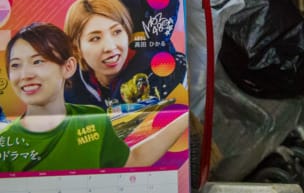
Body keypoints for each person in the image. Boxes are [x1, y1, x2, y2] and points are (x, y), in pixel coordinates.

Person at [0, 22, 185, 173]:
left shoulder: (93, 119)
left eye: (37, 61)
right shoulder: (6, 142)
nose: (25, 75)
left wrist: (184, 119)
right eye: (15, 65)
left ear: (68, 67)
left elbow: (132, 161)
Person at [63, 0, 187, 111]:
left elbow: (184, 124)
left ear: (127, 33)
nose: (110, 47)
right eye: (95, 38)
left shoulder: (170, 72)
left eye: (117, 32)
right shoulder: (65, 88)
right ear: (76, 48)